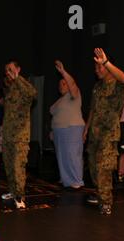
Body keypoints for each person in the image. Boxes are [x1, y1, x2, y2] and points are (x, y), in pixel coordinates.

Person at [83, 48, 124, 216]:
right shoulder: (97, 87)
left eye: (99, 67)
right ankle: (101, 193)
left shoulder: (117, 85)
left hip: (109, 135)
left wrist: (106, 62)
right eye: (95, 68)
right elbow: (93, 109)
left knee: (104, 169)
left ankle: (106, 202)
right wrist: (86, 129)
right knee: (94, 169)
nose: (96, 70)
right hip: (95, 134)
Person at [1, 60, 38, 209]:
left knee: (18, 167)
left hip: (20, 136)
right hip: (8, 135)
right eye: (6, 70)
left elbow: (33, 94)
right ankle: (12, 191)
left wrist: (17, 78)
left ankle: (19, 196)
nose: (8, 73)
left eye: (10, 69)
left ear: (18, 69)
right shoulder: (10, 89)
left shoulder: (24, 86)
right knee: (9, 166)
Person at [49, 60, 86, 189]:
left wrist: (63, 72)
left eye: (64, 83)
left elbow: (72, 84)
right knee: (62, 156)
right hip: (59, 131)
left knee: (72, 156)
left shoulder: (73, 95)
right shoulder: (59, 100)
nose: (62, 85)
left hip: (72, 129)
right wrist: (53, 131)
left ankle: (76, 181)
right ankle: (66, 179)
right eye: (60, 84)